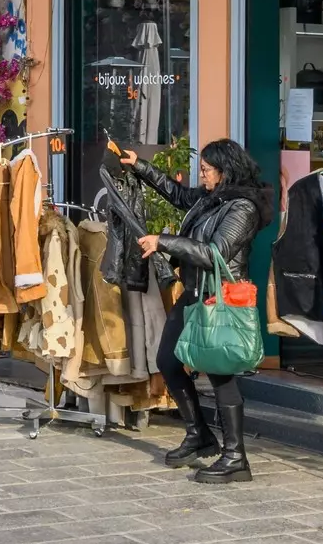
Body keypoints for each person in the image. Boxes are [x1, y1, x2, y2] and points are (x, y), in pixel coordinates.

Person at [115, 138, 273, 485]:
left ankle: (236, 457)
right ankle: (199, 435)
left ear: (225, 171)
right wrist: (139, 166)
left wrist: (163, 241)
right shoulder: (213, 198)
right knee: (169, 362)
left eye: (206, 170)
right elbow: (179, 196)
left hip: (220, 300)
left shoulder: (242, 207)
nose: (201, 175)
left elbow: (214, 252)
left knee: (220, 374)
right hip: (194, 293)